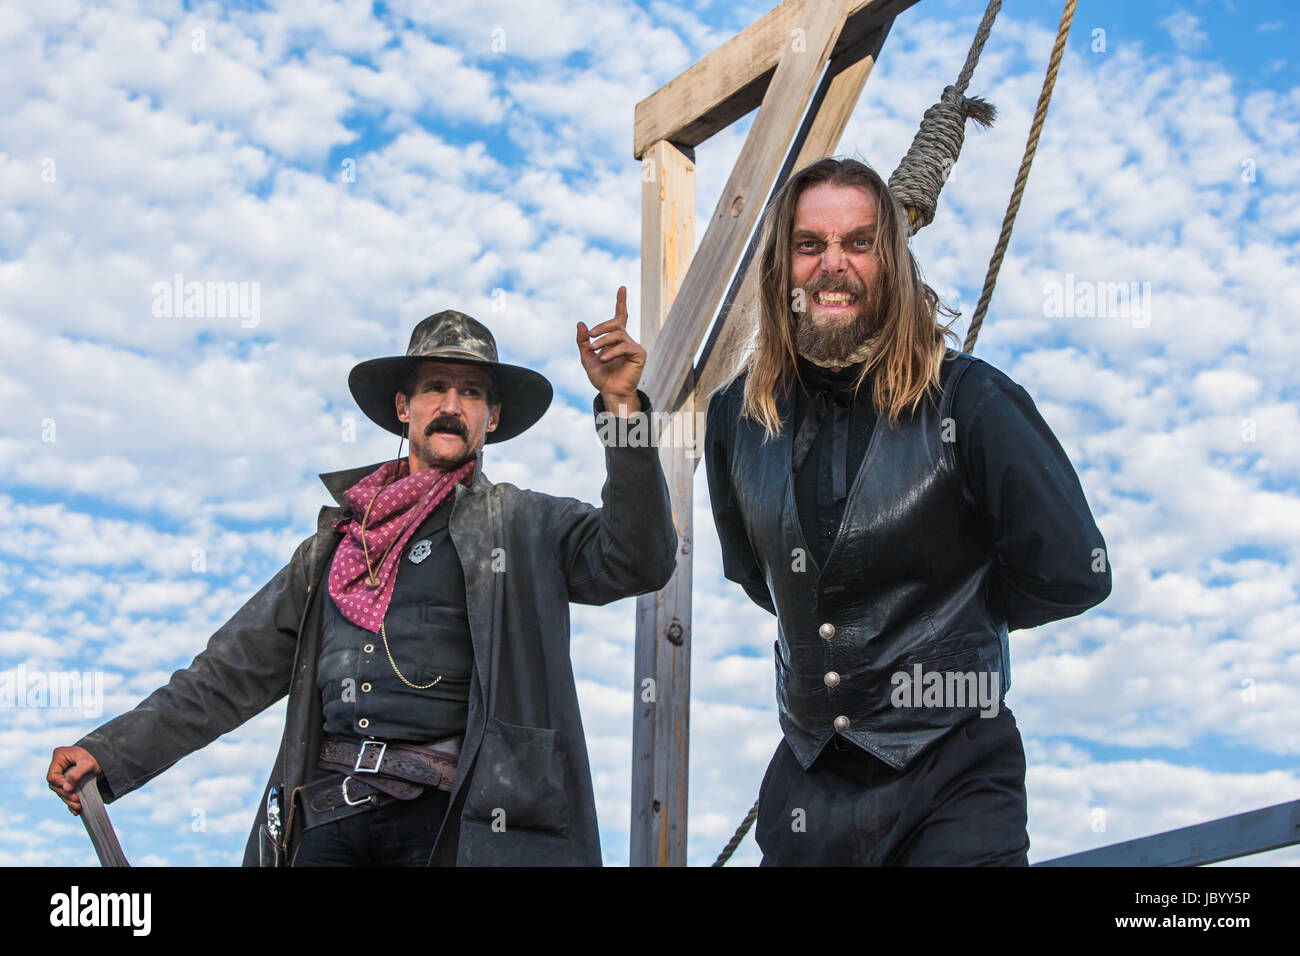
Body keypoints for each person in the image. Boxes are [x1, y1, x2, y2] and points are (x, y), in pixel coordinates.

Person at [48, 290, 677, 866]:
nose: (451, 406)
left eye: (471, 392)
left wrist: (623, 410)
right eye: (434, 387)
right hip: (327, 819)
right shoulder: (332, 548)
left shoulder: (528, 524)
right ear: (404, 408)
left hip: (462, 827)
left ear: (492, 418)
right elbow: (224, 676)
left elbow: (640, 556)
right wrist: (112, 751)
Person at [704, 157, 1112, 866]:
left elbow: (1074, 570)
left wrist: (954, 619)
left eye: (858, 243)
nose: (833, 265)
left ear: (890, 263)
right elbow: (756, 576)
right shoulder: (734, 420)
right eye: (810, 246)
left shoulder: (971, 400)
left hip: (954, 775)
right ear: (782, 269)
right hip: (808, 787)